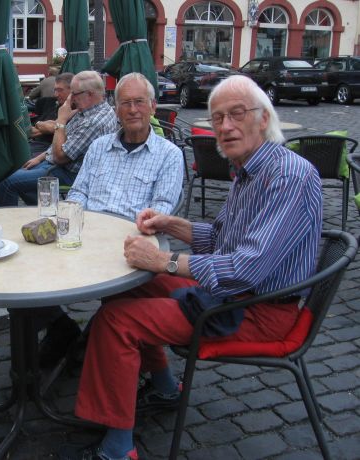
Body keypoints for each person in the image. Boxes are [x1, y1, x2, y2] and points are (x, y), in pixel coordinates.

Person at [61, 75, 323, 460]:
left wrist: (164, 260)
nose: (226, 126)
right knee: (132, 285)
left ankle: (118, 449)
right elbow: (219, 238)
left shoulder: (286, 176)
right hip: (235, 297)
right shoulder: (251, 170)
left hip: (255, 310)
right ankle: (164, 387)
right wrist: (170, 224)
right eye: (217, 118)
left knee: (115, 321)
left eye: (237, 114)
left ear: (264, 118)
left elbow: (243, 270)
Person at [38, 73, 185, 367]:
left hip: (127, 248)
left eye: (139, 102)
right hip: (83, 238)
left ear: (152, 106)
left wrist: (119, 235)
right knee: (31, 268)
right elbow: (78, 192)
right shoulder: (99, 147)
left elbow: (160, 211)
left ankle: (88, 344)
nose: (132, 110)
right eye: (125, 103)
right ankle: (61, 327)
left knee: (122, 298)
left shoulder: (169, 155)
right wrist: (72, 220)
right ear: (115, 109)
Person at [0, 70, 118, 207]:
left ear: (89, 94)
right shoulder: (91, 110)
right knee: (14, 175)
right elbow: (64, 140)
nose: (71, 98)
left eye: (74, 93)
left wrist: (61, 120)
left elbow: (60, 157)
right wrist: (40, 158)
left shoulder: (94, 122)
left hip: (72, 174)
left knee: (8, 183)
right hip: (59, 165)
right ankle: (48, 211)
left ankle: (15, 218)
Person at [28, 72, 73, 157]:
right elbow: (33, 132)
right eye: (55, 90)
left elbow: (52, 127)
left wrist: (41, 124)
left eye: (60, 90)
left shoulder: (77, 108)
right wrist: (46, 126)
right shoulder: (56, 105)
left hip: (49, 150)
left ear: (72, 90)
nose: (55, 94)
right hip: (39, 145)